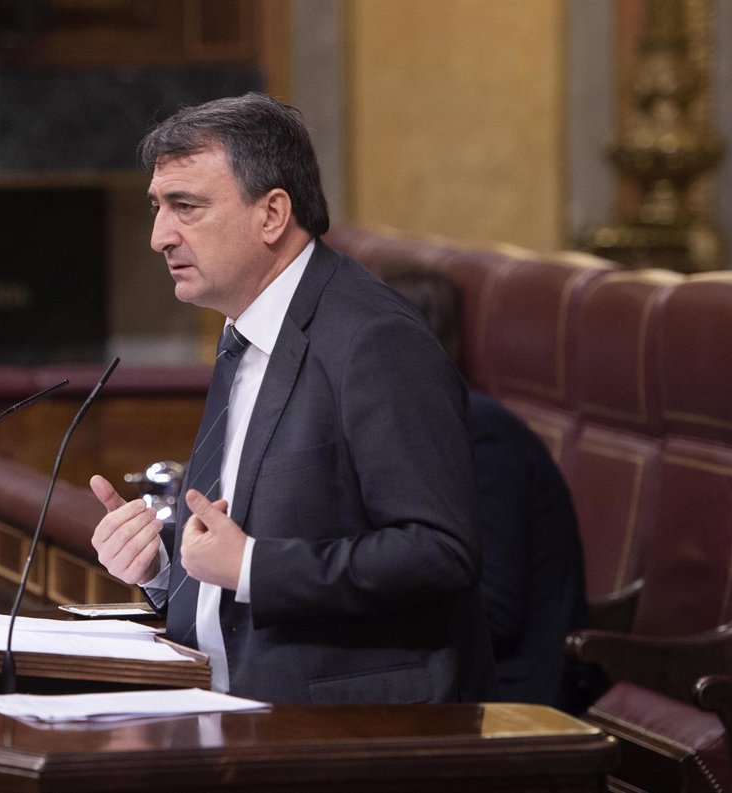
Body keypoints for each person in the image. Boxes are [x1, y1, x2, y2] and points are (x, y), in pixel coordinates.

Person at [88, 92, 494, 704]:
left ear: (272, 214)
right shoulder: (245, 331)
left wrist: (252, 567)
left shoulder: (375, 338)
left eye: (185, 207)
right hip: (228, 705)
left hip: (348, 727)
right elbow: (245, 547)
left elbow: (440, 552)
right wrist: (162, 566)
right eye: (157, 207)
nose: (158, 237)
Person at [383, 265, 590, 712]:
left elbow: (495, 613)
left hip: (508, 698)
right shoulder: (410, 422)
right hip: (440, 675)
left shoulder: (482, 432)